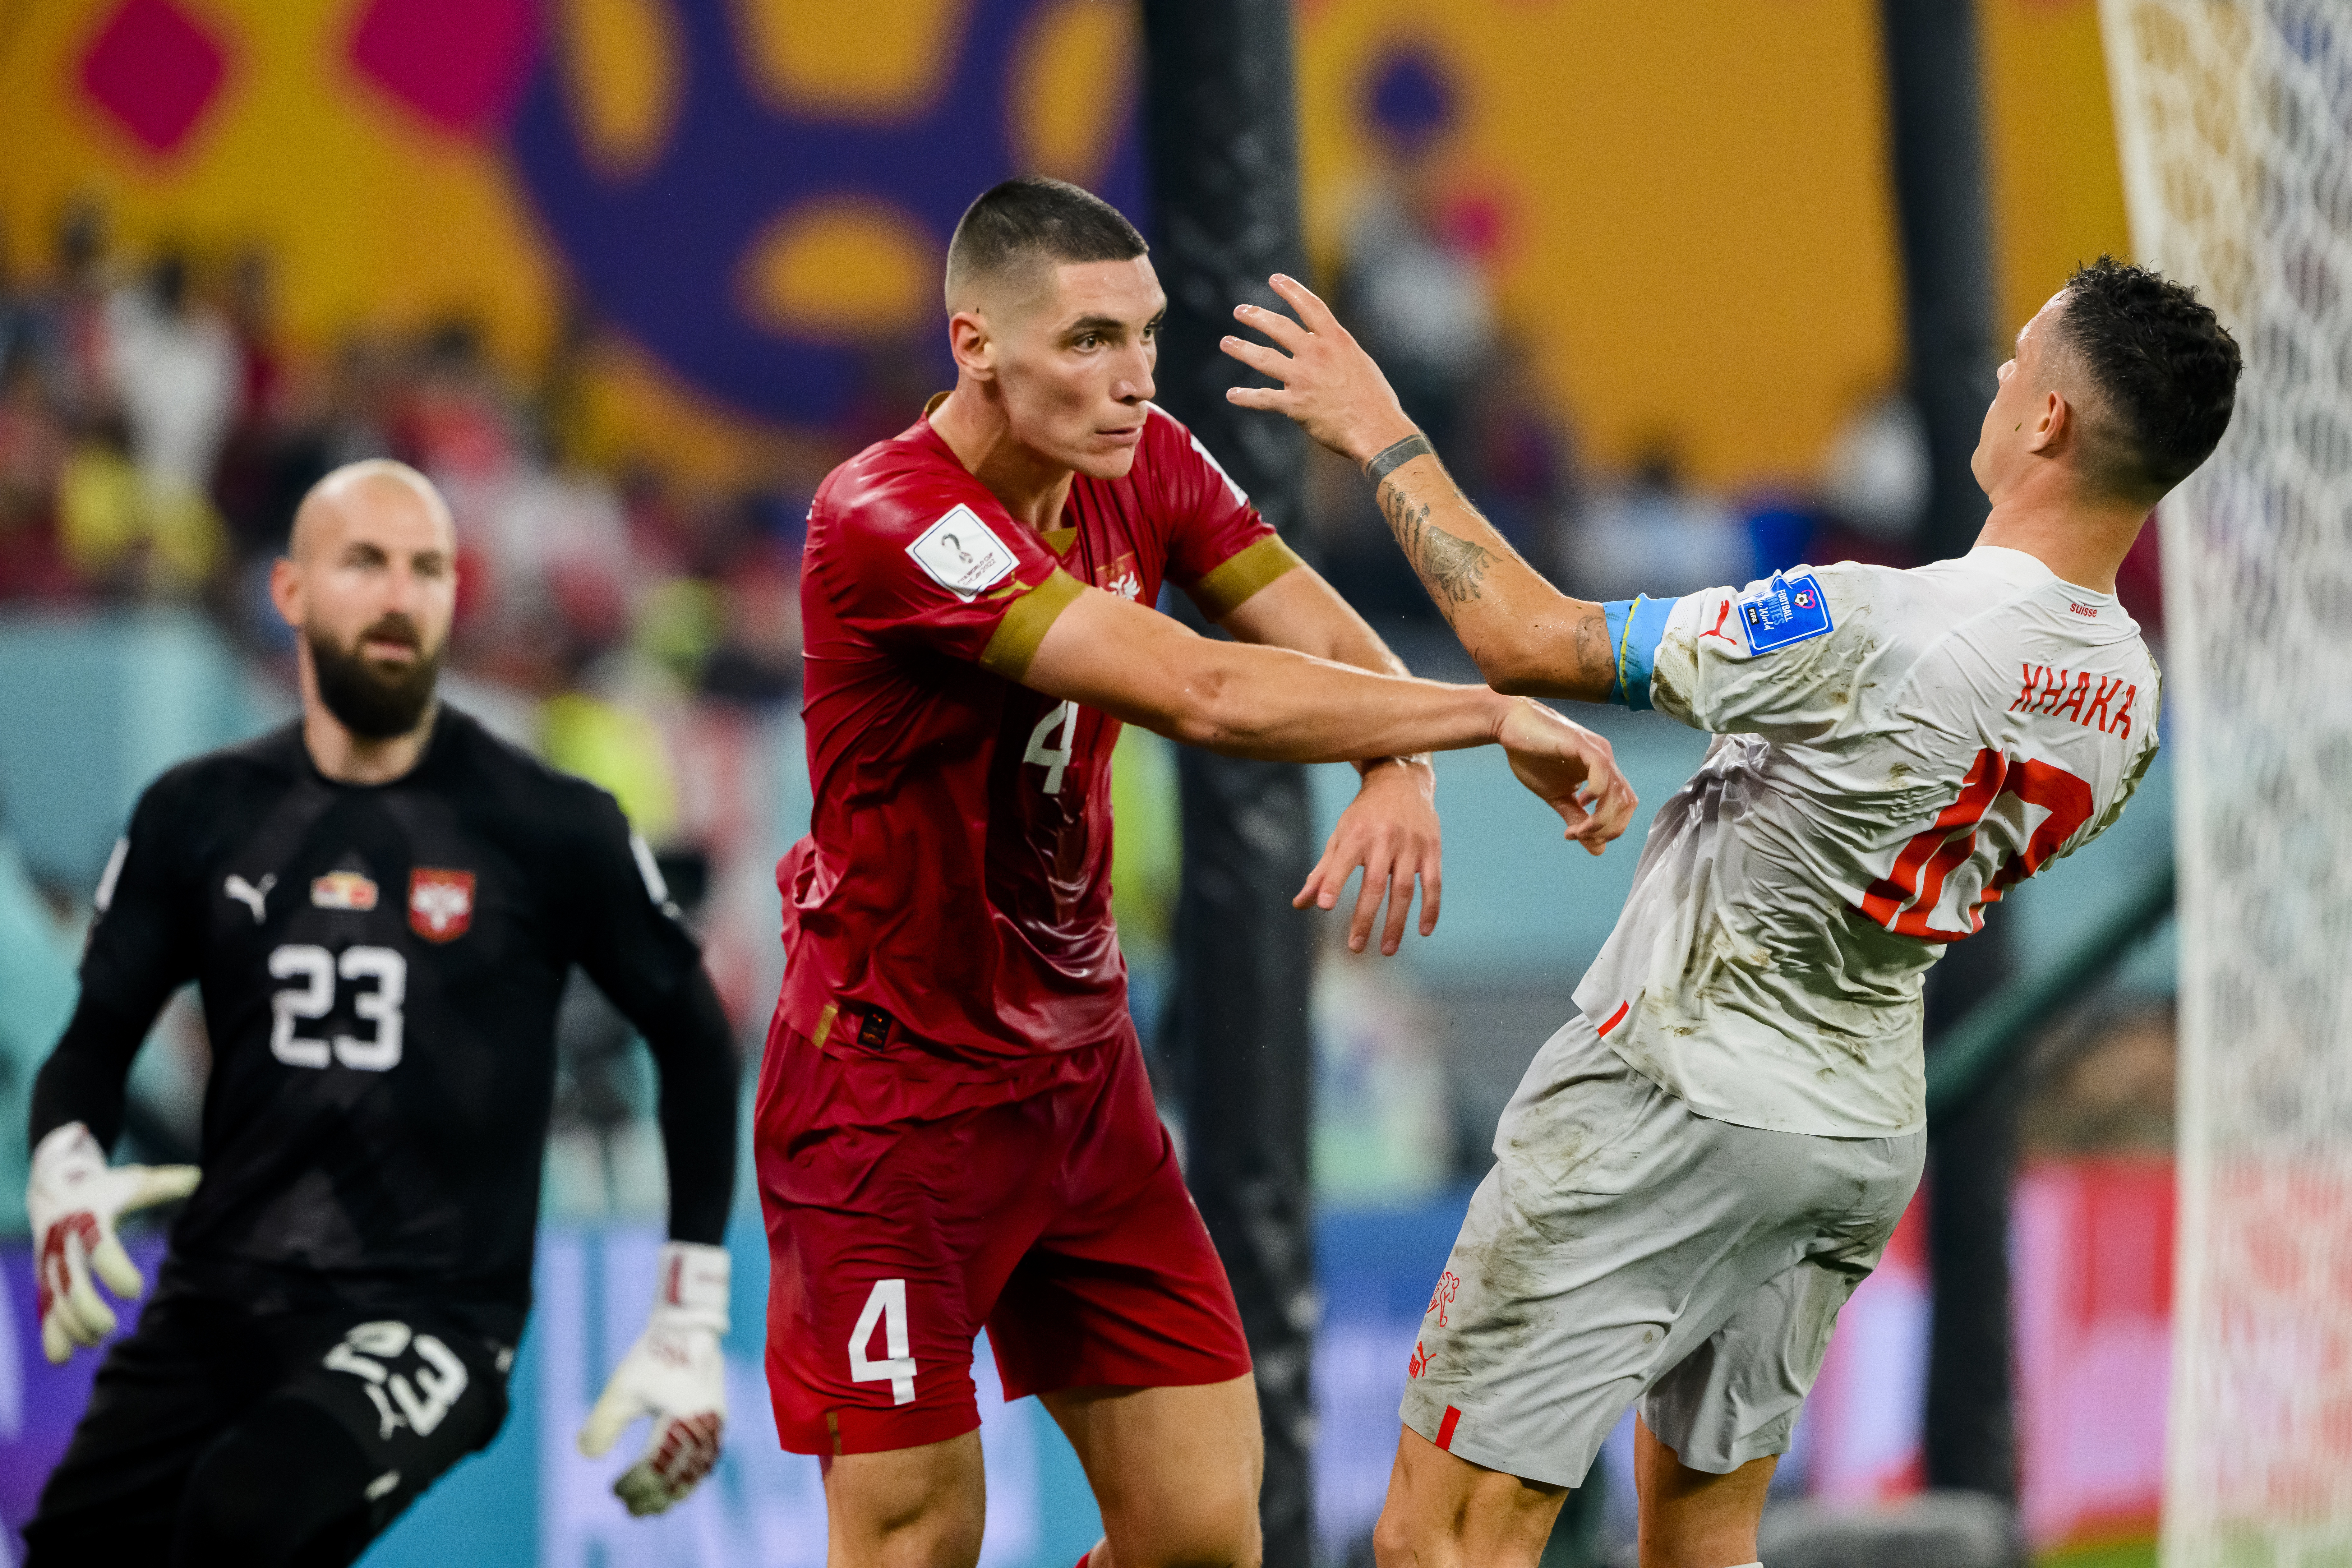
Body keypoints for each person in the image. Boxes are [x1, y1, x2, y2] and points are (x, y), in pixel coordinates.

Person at [1221, 254, 2239, 1566]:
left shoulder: (1874, 619)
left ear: (2046, 420)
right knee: (1704, 1538)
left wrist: (1383, 432)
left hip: (1675, 1093)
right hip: (1854, 1131)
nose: (1995, 375)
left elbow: (1529, 640)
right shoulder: (2132, 701)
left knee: (1446, 1535)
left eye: (2019, 358)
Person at [758, 175, 1638, 1568]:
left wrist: (1392, 764)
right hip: (891, 1094)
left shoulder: (1148, 459)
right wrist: (1476, 719)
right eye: (1090, 340)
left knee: (1198, 1537)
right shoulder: (885, 516)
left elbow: (1331, 643)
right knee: (917, 1537)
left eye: (1147, 337)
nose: (1131, 381)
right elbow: (1202, 691)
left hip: (1078, 1080)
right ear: (974, 343)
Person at [24, 459, 742, 1565]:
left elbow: (694, 1042)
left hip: (436, 1309)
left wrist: (689, 1317)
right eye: (365, 563)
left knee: (249, 1510)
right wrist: (63, 1164)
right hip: (219, 1294)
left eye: (429, 569)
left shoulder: (548, 824)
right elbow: (89, 1046)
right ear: (291, 591)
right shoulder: (197, 813)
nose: (401, 594)